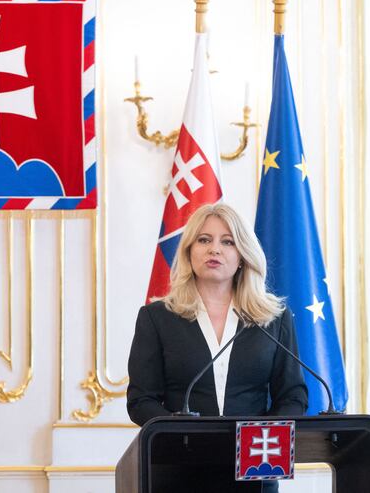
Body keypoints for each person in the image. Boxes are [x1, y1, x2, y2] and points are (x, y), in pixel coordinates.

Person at [127, 203, 307, 492]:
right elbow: (141, 399)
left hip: (254, 470)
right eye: (204, 240)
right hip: (178, 469)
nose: (214, 249)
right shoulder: (157, 318)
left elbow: (293, 395)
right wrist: (180, 433)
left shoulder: (273, 319)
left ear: (242, 256)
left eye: (228, 241)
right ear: (189, 252)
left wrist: (263, 438)